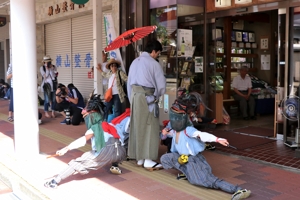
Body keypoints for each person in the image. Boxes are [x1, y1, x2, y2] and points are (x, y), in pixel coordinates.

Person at [160, 107, 251, 200]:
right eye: (173, 119)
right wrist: (164, 133)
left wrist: (217, 139)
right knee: (166, 158)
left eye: (177, 119)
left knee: (205, 181)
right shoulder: (174, 131)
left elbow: (201, 134)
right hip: (182, 158)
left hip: (193, 160)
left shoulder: (188, 130)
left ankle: (238, 190)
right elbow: (164, 136)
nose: (175, 121)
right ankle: (187, 173)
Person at [44, 94, 128, 188]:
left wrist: (66, 148)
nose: (83, 113)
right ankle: (115, 165)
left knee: (77, 163)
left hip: (104, 153)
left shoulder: (95, 126)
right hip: (120, 153)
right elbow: (121, 139)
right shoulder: (109, 125)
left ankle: (55, 181)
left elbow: (82, 140)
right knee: (115, 146)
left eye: (86, 113)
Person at [127, 39, 166, 170]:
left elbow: (129, 84)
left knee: (138, 126)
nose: (157, 56)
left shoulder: (134, 62)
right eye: (158, 53)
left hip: (134, 97)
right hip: (148, 97)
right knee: (150, 127)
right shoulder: (153, 64)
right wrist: (156, 97)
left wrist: (132, 100)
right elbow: (161, 86)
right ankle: (148, 159)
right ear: (153, 51)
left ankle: (139, 157)